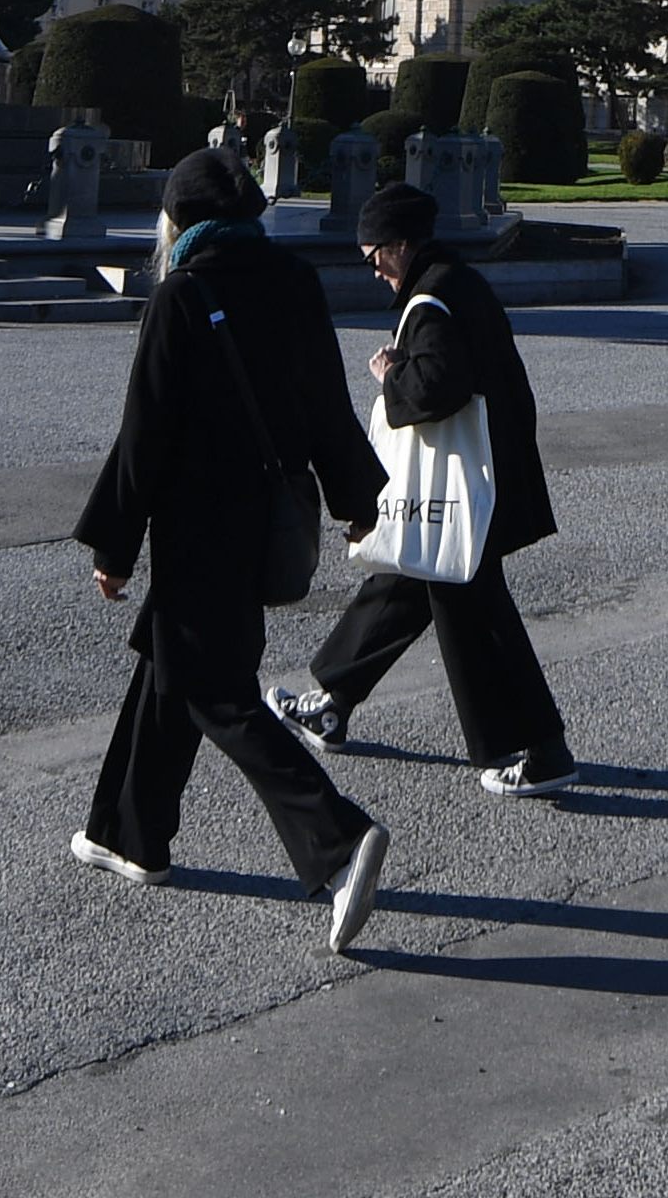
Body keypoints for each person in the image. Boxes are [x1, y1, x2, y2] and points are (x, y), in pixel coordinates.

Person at [70, 148, 395, 954]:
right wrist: (357, 503)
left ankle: (335, 839)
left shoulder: (183, 292)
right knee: (170, 661)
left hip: (199, 523)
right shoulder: (293, 281)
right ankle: (128, 834)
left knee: (214, 689)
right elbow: (327, 404)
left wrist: (115, 543)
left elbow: (143, 437)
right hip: (272, 516)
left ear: (177, 220)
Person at [267, 183, 575, 794]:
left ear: (401, 245)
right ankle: (332, 699)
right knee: (405, 575)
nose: (373, 267)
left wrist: (390, 374)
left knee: (475, 613)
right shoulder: (459, 283)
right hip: (486, 474)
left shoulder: (431, 302)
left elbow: (436, 387)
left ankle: (540, 750)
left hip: (467, 488)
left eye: (374, 253)